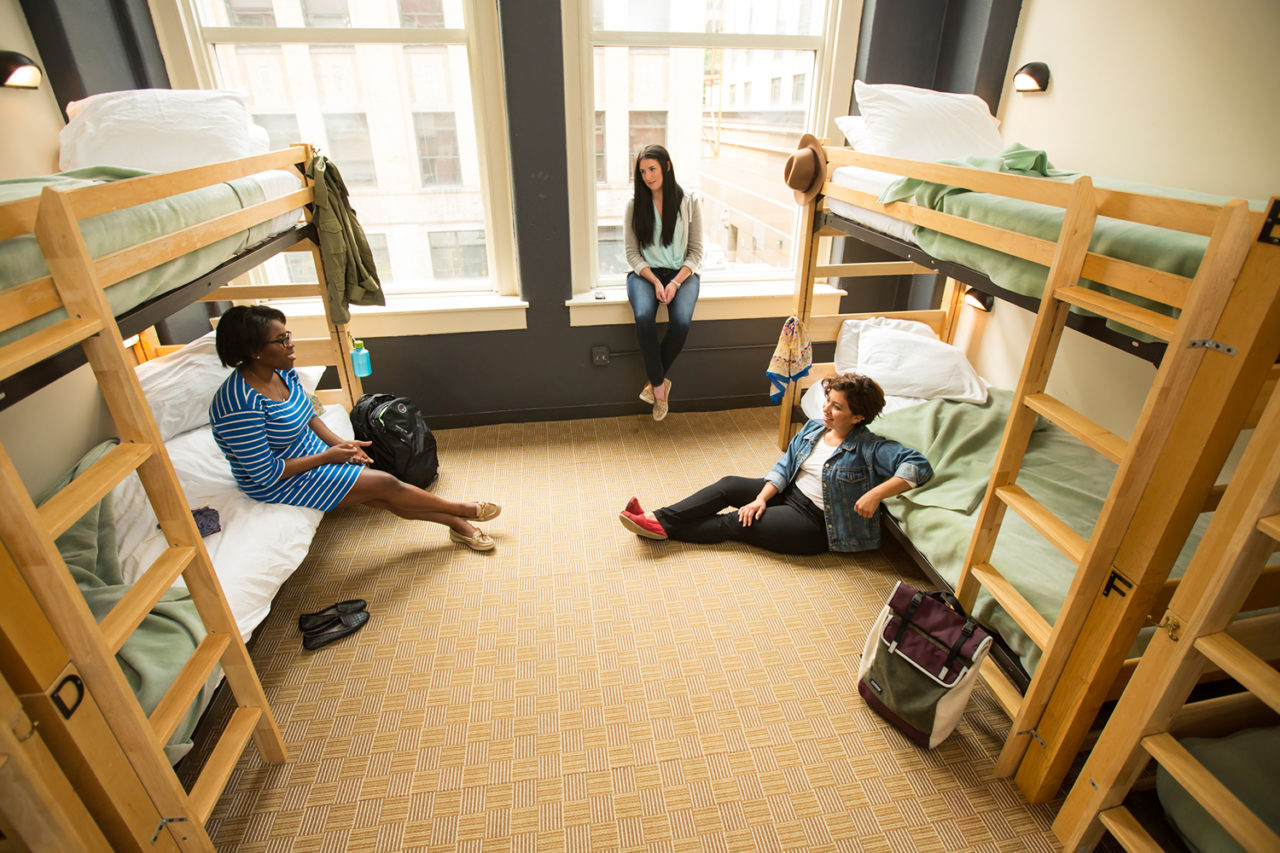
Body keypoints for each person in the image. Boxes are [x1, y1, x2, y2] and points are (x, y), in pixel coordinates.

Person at [209, 305, 501, 551]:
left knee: (381, 494)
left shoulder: (283, 372)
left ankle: (457, 526)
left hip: (309, 453)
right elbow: (264, 472)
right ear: (253, 350)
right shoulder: (238, 403)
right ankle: (461, 510)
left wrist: (341, 445)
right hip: (278, 479)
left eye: (288, 336)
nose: (290, 344)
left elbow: (308, 414)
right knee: (386, 485)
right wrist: (328, 457)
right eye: (281, 340)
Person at [618, 373, 932, 555]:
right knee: (729, 486)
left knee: (737, 522)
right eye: (827, 401)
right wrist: (760, 499)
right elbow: (784, 467)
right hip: (790, 493)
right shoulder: (814, 428)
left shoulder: (869, 446)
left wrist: (877, 494)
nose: (826, 409)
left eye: (837, 407)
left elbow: (918, 465)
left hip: (816, 525)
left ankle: (662, 529)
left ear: (859, 416)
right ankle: (656, 518)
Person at [624, 144, 703, 421]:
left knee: (680, 323)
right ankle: (659, 387)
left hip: (683, 274)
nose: (647, 176)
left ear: (667, 166)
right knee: (644, 316)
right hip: (645, 274)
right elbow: (632, 253)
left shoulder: (690, 201)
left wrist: (676, 283)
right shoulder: (635, 205)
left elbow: (696, 252)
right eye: (642, 171)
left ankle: (652, 382)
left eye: (652, 169)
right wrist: (655, 280)